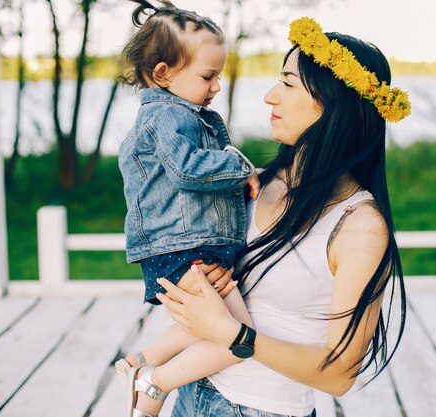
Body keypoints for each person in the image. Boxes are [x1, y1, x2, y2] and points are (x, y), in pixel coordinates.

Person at [155, 17, 410, 417]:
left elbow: (340, 374)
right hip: (191, 396)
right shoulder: (258, 183)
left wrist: (233, 335)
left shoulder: (359, 225)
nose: (271, 96)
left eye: (288, 84)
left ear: (333, 103)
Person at [114, 1, 261, 416]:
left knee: (203, 328)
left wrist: (242, 172)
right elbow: (187, 170)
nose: (216, 87)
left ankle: (137, 364)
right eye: (208, 76)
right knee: (239, 340)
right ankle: (153, 386)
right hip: (180, 247)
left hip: (194, 245)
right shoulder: (164, 116)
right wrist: (239, 164)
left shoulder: (186, 114)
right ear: (164, 74)